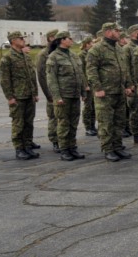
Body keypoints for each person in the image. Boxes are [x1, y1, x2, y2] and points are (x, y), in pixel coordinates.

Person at [85, 22, 134, 162]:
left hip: (119, 91)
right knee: (106, 123)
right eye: (116, 30)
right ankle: (108, 149)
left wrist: (128, 85)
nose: (119, 33)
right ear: (107, 32)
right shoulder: (97, 49)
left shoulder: (118, 48)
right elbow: (91, 71)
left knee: (119, 121)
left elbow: (124, 68)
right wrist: (98, 88)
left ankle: (117, 146)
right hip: (105, 93)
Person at [46, 31, 86, 161]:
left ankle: (72, 147)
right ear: (61, 40)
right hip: (63, 96)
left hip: (74, 95)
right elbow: (51, 79)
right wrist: (57, 96)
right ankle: (64, 149)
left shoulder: (73, 55)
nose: (71, 40)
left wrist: (83, 92)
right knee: (63, 123)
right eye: (69, 38)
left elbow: (80, 75)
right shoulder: (54, 57)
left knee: (73, 123)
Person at [0, 31, 39, 160]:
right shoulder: (8, 58)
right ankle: (19, 148)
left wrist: (35, 93)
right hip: (18, 96)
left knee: (29, 123)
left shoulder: (26, 56)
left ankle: (27, 146)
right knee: (18, 123)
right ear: (13, 41)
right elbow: (4, 79)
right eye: (21, 38)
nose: (23, 40)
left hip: (29, 95)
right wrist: (10, 97)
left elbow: (32, 76)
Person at [37, 29, 60, 153]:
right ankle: (55, 140)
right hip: (52, 92)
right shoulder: (43, 54)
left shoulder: (60, 52)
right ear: (51, 38)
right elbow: (42, 76)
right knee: (53, 117)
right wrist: (48, 94)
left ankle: (64, 139)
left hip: (63, 91)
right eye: (56, 36)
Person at [79, 36, 98, 136]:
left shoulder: (91, 54)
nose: (93, 44)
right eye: (91, 43)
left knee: (94, 106)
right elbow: (81, 72)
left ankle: (92, 125)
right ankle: (88, 127)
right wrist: (85, 85)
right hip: (87, 85)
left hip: (93, 84)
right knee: (88, 107)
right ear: (87, 44)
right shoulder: (82, 55)